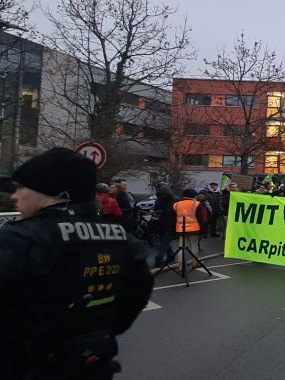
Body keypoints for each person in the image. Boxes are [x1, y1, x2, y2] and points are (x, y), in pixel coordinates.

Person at [0, 147, 153, 378]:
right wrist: (99, 331)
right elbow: (137, 294)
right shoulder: (123, 241)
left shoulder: (21, 240)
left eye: (21, 188)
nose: (14, 196)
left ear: (52, 193)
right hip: (92, 361)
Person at [172, 189, 210, 272]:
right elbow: (200, 218)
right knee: (194, 246)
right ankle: (195, 262)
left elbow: (174, 217)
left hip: (181, 229)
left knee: (181, 247)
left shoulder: (176, 205)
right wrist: (204, 230)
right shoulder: (196, 204)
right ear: (194, 195)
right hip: (194, 229)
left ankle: (180, 265)